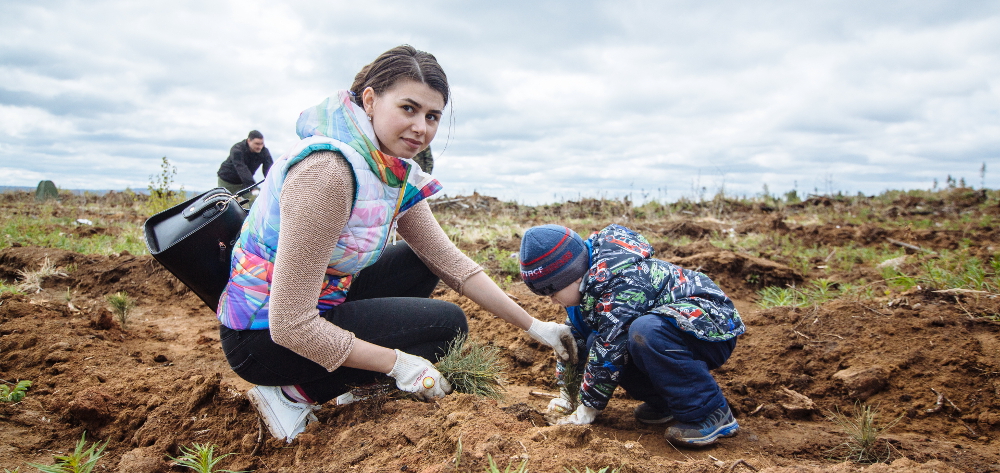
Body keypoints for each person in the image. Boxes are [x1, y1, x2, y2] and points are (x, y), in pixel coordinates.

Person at [215, 45, 576, 443]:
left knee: (421, 260)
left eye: (432, 116)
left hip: (321, 303)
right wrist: (399, 364)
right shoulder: (328, 174)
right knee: (445, 326)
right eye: (408, 108)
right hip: (264, 337)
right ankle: (292, 394)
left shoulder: (387, 170)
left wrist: (534, 325)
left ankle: (353, 380)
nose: (421, 127)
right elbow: (290, 324)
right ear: (370, 100)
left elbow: (451, 264)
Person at [519, 223, 744, 447]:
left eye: (552, 292)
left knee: (643, 332)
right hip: (670, 332)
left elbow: (609, 349)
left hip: (709, 327)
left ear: (574, 276)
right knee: (596, 339)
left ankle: (709, 412)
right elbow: (575, 344)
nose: (552, 301)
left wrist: (587, 409)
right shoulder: (585, 289)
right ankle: (667, 403)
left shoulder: (624, 281)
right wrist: (567, 397)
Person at [216, 130, 273, 201]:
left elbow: (269, 169)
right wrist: (252, 187)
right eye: (257, 144)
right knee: (224, 203)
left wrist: (272, 185)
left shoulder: (264, 152)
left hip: (244, 183)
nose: (260, 147)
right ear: (249, 141)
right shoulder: (237, 149)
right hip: (227, 181)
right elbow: (241, 168)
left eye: (262, 144)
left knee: (256, 199)